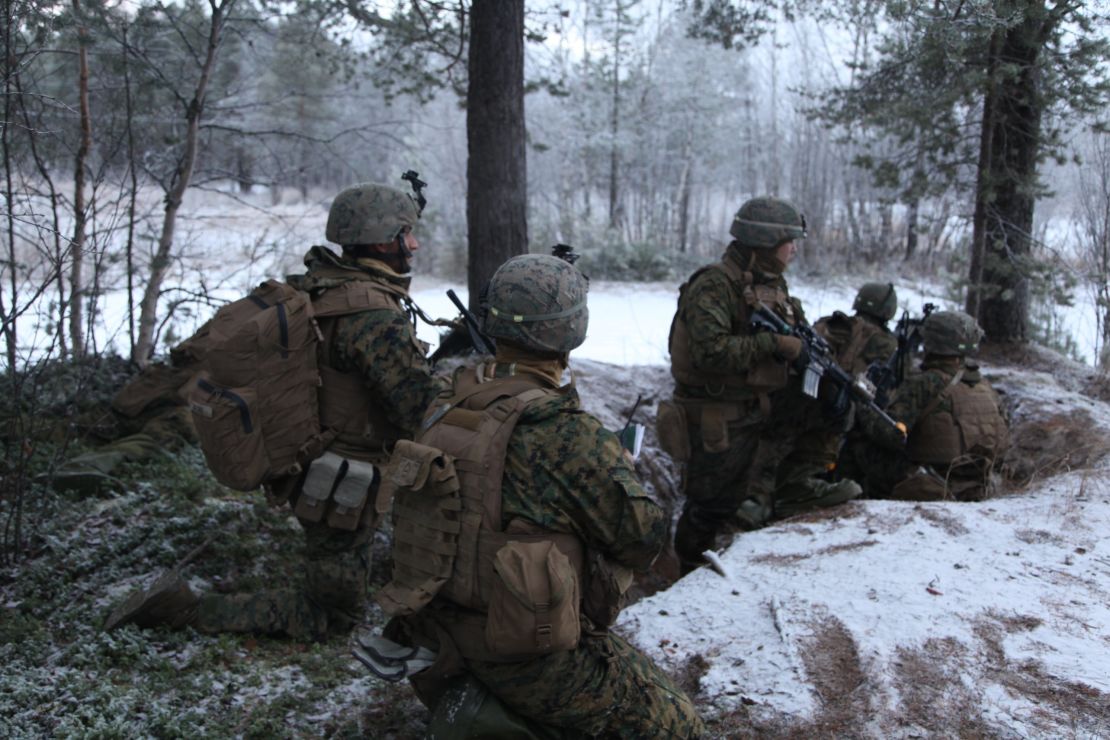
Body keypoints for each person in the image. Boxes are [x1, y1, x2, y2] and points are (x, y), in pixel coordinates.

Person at [375, 254, 703, 738]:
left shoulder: (444, 403)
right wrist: (619, 472)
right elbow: (643, 541)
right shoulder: (564, 432)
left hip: (435, 629)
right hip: (521, 655)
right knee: (681, 726)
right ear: (572, 330)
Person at [105, 180, 444, 640]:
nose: (414, 243)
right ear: (384, 240)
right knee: (330, 617)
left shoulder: (323, 284)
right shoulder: (373, 315)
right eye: (407, 233)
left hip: (314, 463)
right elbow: (417, 410)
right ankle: (185, 611)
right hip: (342, 480)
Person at [662, 196, 856, 572]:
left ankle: (784, 497)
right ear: (765, 243)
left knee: (835, 407)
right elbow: (710, 353)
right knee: (710, 505)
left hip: (758, 407)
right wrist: (775, 344)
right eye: (790, 241)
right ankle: (686, 570)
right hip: (718, 415)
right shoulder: (714, 286)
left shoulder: (774, 287)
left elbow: (796, 337)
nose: (795, 249)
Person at [849, 310, 1009, 501]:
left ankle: (856, 500)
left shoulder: (925, 383)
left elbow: (891, 434)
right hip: (976, 482)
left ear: (932, 343)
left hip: (930, 480)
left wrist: (864, 408)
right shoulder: (985, 387)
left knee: (857, 440)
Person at [772, 282, 900, 518]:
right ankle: (792, 496)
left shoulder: (827, 324)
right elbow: (881, 393)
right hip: (831, 419)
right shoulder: (886, 343)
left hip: (790, 405)